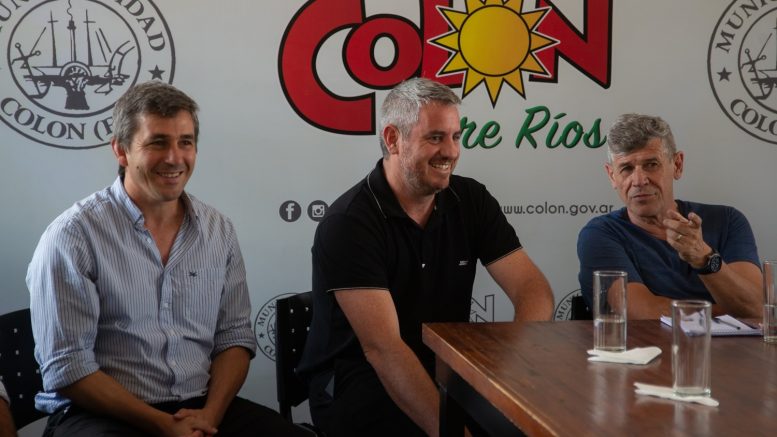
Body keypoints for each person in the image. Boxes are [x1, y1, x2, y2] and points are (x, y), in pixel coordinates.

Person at [26, 82, 308, 437]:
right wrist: (163, 426)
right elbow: (67, 368)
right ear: (121, 150)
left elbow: (234, 337)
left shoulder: (218, 230)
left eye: (185, 142)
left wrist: (209, 417)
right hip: (99, 413)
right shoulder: (72, 236)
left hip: (200, 407)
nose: (174, 158)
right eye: (157, 143)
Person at [297, 77, 554, 437]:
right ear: (392, 139)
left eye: (455, 137)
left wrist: (517, 369)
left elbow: (532, 288)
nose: (450, 151)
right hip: (359, 382)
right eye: (435, 138)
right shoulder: (349, 223)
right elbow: (384, 350)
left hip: (444, 371)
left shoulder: (472, 200)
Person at [577, 113, 762, 319]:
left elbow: (755, 308)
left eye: (651, 165)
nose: (639, 180)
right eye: (626, 168)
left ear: (677, 165)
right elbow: (638, 313)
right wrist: (727, 313)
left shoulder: (727, 221)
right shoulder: (600, 234)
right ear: (612, 176)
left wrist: (703, 258)